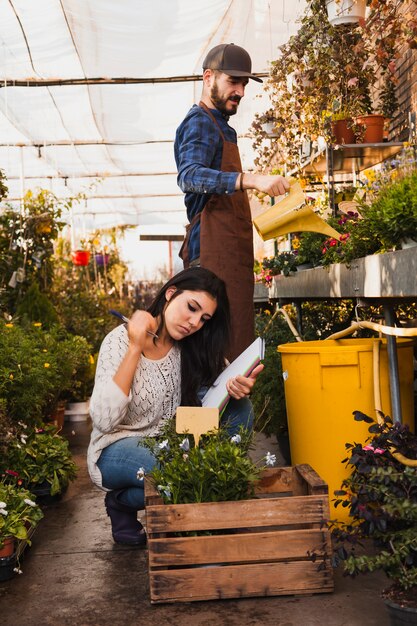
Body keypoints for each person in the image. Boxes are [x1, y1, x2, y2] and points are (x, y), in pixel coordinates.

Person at [87, 267, 263, 546]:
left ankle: (128, 502)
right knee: (184, 469)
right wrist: (135, 347)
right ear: (171, 294)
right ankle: (140, 503)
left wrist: (236, 389)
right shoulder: (118, 341)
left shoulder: (192, 346)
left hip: (171, 443)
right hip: (116, 447)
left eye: (204, 318)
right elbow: (103, 421)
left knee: (241, 409)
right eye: (191, 308)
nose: (194, 322)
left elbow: (223, 384)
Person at [174, 42, 290, 362]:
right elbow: (189, 176)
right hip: (210, 259)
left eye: (243, 84)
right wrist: (251, 179)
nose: (239, 90)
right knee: (212, 356)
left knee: (233, 354)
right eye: (232, 81)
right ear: (208, 77)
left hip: (229, 259)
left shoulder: (224, 129)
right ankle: (210, 415)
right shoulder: (199, 121)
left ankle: (232, 413)